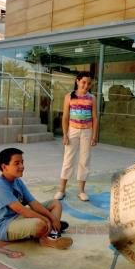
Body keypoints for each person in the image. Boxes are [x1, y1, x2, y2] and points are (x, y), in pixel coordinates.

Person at [0, 148, 73, 250]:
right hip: (3, 226)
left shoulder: (17, 181)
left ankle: (51, 232)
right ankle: (47, 239)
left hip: (18, 217)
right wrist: (46, 219)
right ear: (4, 167)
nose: (22, 166)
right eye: (17, 163)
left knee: (55, 203)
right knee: (40, 224)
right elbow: (21, 209)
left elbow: (33, 203)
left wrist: (53, 218)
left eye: (22, 162)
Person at [55, 71, 98, 201]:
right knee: (68, 160)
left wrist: (94, 136)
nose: (86, 85)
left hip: (87, 131)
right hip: (72, 130)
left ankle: (81, 191)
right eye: (83, 82)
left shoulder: (92, 98)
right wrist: (64, 134)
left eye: (89, 83)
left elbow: (95, 118)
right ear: (77, 81)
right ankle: (61, 190)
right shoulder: (69, 96)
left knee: (84, 161)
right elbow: (65, 117)